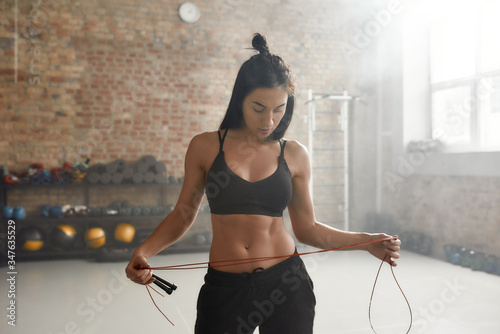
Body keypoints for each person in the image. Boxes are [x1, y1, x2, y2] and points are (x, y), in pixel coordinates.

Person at [125, 33, 401, 334]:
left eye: (279, 109)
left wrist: (365, 242)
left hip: (287, 284)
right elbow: (183, 213)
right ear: (240, 100)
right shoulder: (205, 147)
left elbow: (307, 229)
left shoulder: (294, 154)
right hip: (225, 288)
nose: (269, 120)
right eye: (258, 108)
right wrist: (144, 252)